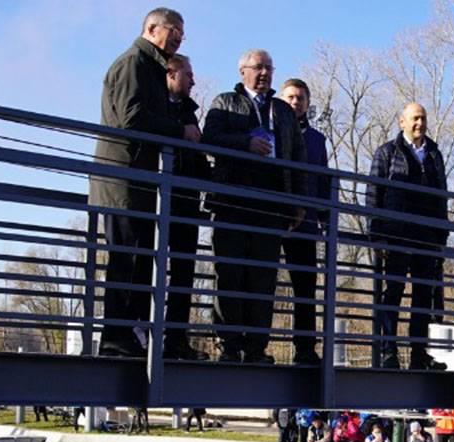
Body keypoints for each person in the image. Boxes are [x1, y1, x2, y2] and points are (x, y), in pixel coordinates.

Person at [90, 7, 200, 358]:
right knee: (126, 256)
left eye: (183, 33)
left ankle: (128, 332)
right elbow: (130, 118)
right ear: (152, 29)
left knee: (137, 256)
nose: (180, 38)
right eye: (175, 31)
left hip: (140, 179)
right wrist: (179, 131)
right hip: (124, 177)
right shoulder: (134, 63)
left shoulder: (150, 66)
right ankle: (115, 336)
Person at [203, 49, 308, 365]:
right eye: (257, 67)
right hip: (232, 201)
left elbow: (299, 157)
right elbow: (210, 138)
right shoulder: (225, 102)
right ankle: (230, 344)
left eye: (269, 68)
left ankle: (256, 347)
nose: (264, 73)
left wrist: (298, 201)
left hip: (272, 204)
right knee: (230, 273)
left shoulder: (283, 111)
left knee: (263, 279)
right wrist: (245, 144)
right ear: (242, 71)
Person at [366, 103, 450, 371]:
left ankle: (418, 353)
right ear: (402, 122)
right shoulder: (387, 152)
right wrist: (376, 234)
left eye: (423, 118)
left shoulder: (434, 154)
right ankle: (388, 351)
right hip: (395, 235)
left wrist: (441, 235)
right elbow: (373, 193)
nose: (420, 123)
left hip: (426, 236)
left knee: (423, 295)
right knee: (393, 293)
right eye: (415, 118)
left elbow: (442, 196)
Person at [273, 77, 332, 365]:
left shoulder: (317, 139)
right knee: (262, 281)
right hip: (271, 218)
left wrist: (324, 217)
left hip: (306, 224)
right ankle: (254, 344)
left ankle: (306, 349)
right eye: (290, 97)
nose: (295, 102)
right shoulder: (271, 128)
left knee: (306, 287)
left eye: (300, 98)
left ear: (308, 103)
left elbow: (323, 181)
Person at [161, 53, 210, 360]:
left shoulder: (190, 112)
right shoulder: (157, 107)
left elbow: (198, 159)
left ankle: (176, 338)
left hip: (187, 203)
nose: (193, 80)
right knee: (146, 269)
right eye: (188, 74)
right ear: (171, 73)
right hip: (157, 199)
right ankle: (142, 336)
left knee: (183, 273)